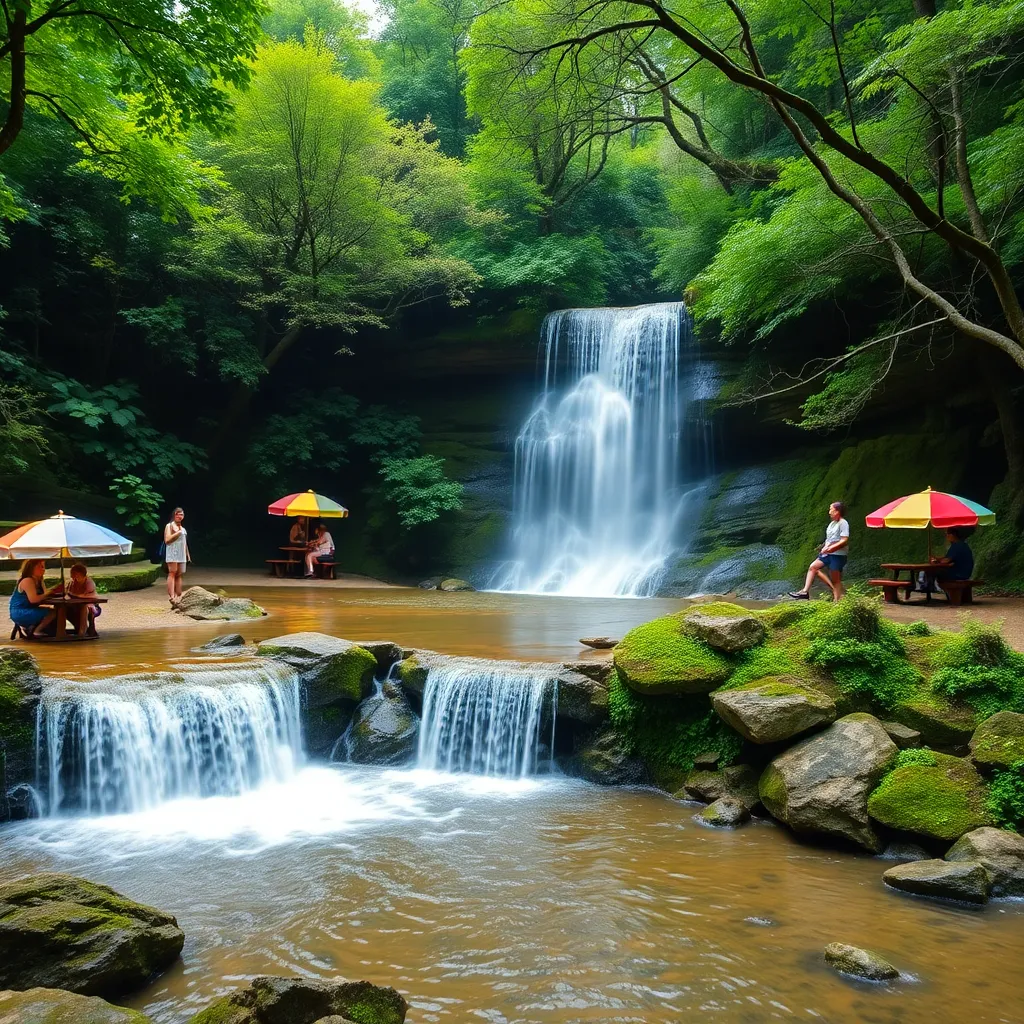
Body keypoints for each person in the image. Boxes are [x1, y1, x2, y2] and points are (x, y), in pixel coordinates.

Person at [789, 500, 850, 602]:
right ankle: (805, 592)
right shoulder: (832, 524)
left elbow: (844, 540)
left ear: (837, 511)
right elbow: (830, 539)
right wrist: (823, 547)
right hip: (827, 554)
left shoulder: (843, 523)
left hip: (837, 555)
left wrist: (831, 548)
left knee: (836, 580)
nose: (829, 512)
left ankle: (837, 602)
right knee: (813, 567)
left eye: (831, 509)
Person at [9, 559, 59, 638]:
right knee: (52, 612)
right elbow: (34, 599)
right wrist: (47, 593)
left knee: (55, 610)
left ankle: (51, 630)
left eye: (43, 567)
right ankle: (37, 631)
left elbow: (43, 595)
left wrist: (53, 592)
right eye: (40, 567)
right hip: (20, 611)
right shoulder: (27, 580)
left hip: (29, 608)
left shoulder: (39, 580)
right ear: (32, 568)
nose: (43, 569)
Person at [164, 507, 190, 608]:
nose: (180, 516)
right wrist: (177, 533)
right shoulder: (169, 526)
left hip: (181, 553)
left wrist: (188, 555)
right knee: (172, 572)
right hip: (172, 552)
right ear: (174, 515)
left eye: (181, 514)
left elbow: (185, 543)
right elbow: (167, 540)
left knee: (179, 574)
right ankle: (172, 596)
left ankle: (179, 596)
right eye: (178, 514)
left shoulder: (183, 529)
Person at [67, 562, 101, 637]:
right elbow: (68, 593)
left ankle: (82, 631)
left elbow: (91, 596)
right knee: (64, 609)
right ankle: (78, 627)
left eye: (75, 574)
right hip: (76, 605)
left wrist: (77, 595)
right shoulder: (72, 583)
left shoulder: (89, 583)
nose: (74, 577)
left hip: (91, 605)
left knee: (84, 608)